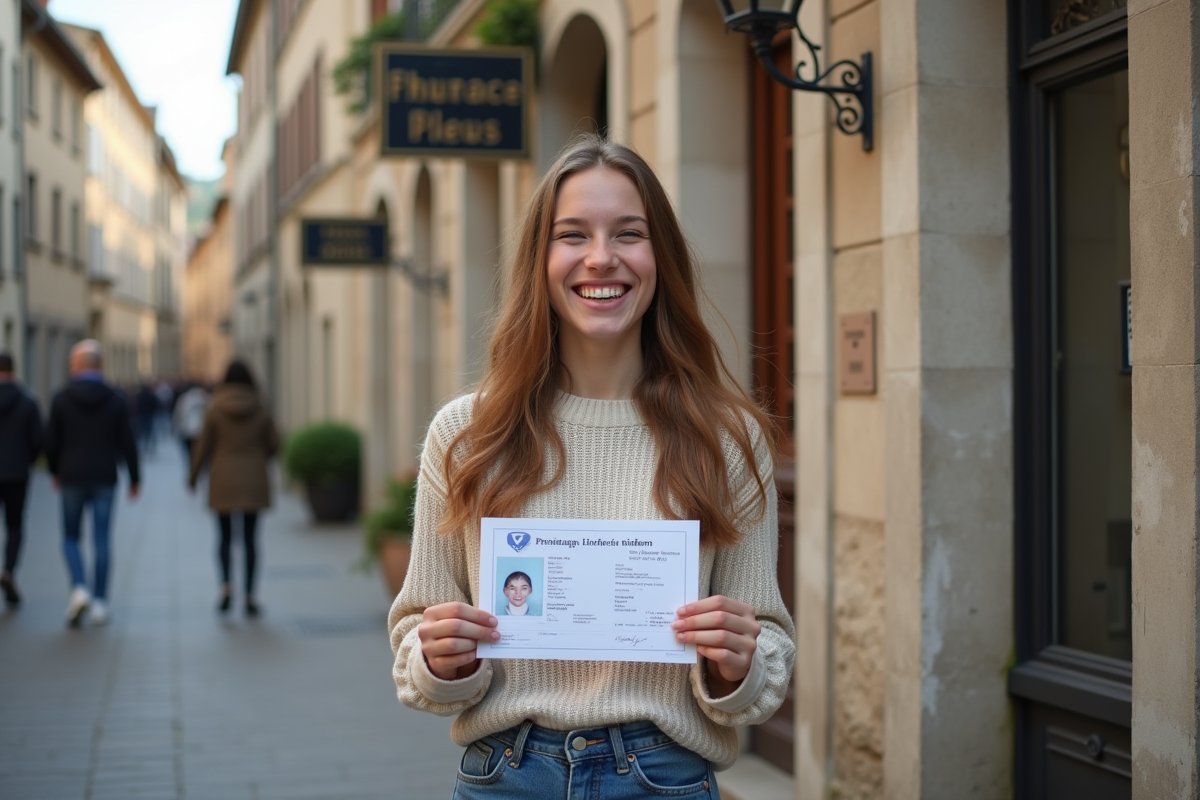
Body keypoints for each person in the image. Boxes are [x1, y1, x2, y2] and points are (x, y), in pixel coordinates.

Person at [388, 134, 796, 799]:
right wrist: (440, 658)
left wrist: (737, 663)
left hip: (665, 776)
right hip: (505, 775)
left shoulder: (730, 436)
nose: (601, 258)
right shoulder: (466, 435)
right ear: (538, 261)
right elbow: (414, 639)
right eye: (572, 235)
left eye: (628, 234)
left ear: (659, 256)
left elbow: (767, 654)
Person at [45, 340, 140, 627]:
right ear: (101, 365)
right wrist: (135, 478)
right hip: (104, 476)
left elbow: (51, 441)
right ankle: (99, 602)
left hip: (72, 475)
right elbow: (127, 441)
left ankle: (79, 588)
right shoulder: (115, 398)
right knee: (101, 540)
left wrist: (54, 471)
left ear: (76, 365)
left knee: (70, 537)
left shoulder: (61, 398)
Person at [188, 360, 278, 617]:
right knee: (250, 540)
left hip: (222, 478)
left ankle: (226, 588)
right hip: (253, 479)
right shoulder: (260, 405)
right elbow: (274, 443)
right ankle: (250, 596)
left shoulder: (215, 407)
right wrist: (259, 457)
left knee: (225, 538)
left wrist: (193, 478)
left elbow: (203, 446)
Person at [0, 352, 44, 608]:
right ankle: (8, 570)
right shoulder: (27, 402)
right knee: (14, 526)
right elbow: (38, 440)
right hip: (17, 473)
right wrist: (26, 460)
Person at [173, 381, 210, 462]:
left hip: (188, 431)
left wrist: (177, 428)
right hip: (202, 431)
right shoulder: (206, 398)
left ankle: (192, 469)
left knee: (190, 455)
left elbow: (179, 414)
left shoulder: (185, 398)